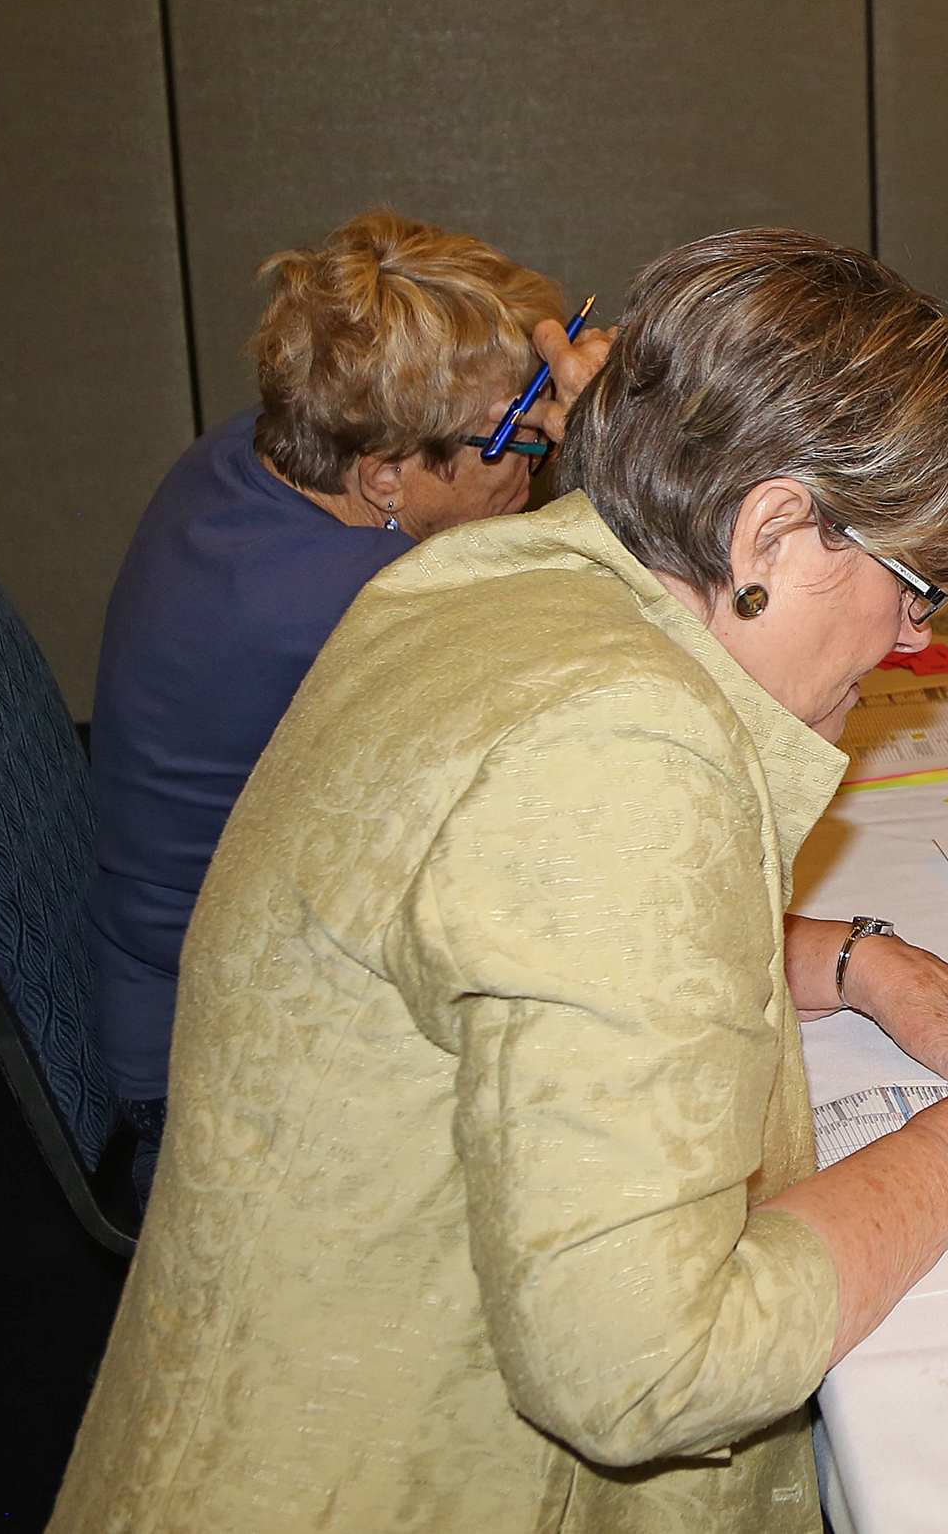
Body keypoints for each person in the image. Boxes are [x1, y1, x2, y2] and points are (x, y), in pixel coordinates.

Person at [55, 230, 948, 1533]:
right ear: (773, 528)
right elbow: (646, 1371)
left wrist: (850, 958)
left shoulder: (496, 575)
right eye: (914, 587)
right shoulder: (619, 756)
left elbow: (489, 925)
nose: (915, 642)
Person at [85, 209, 607, 1204]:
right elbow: (601, 689)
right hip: (230, 1077)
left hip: (192, 970)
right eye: (512, 430)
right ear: (382, 472)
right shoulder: (343, 613)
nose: (539, 449)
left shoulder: (256, 455)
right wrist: (624, 466)